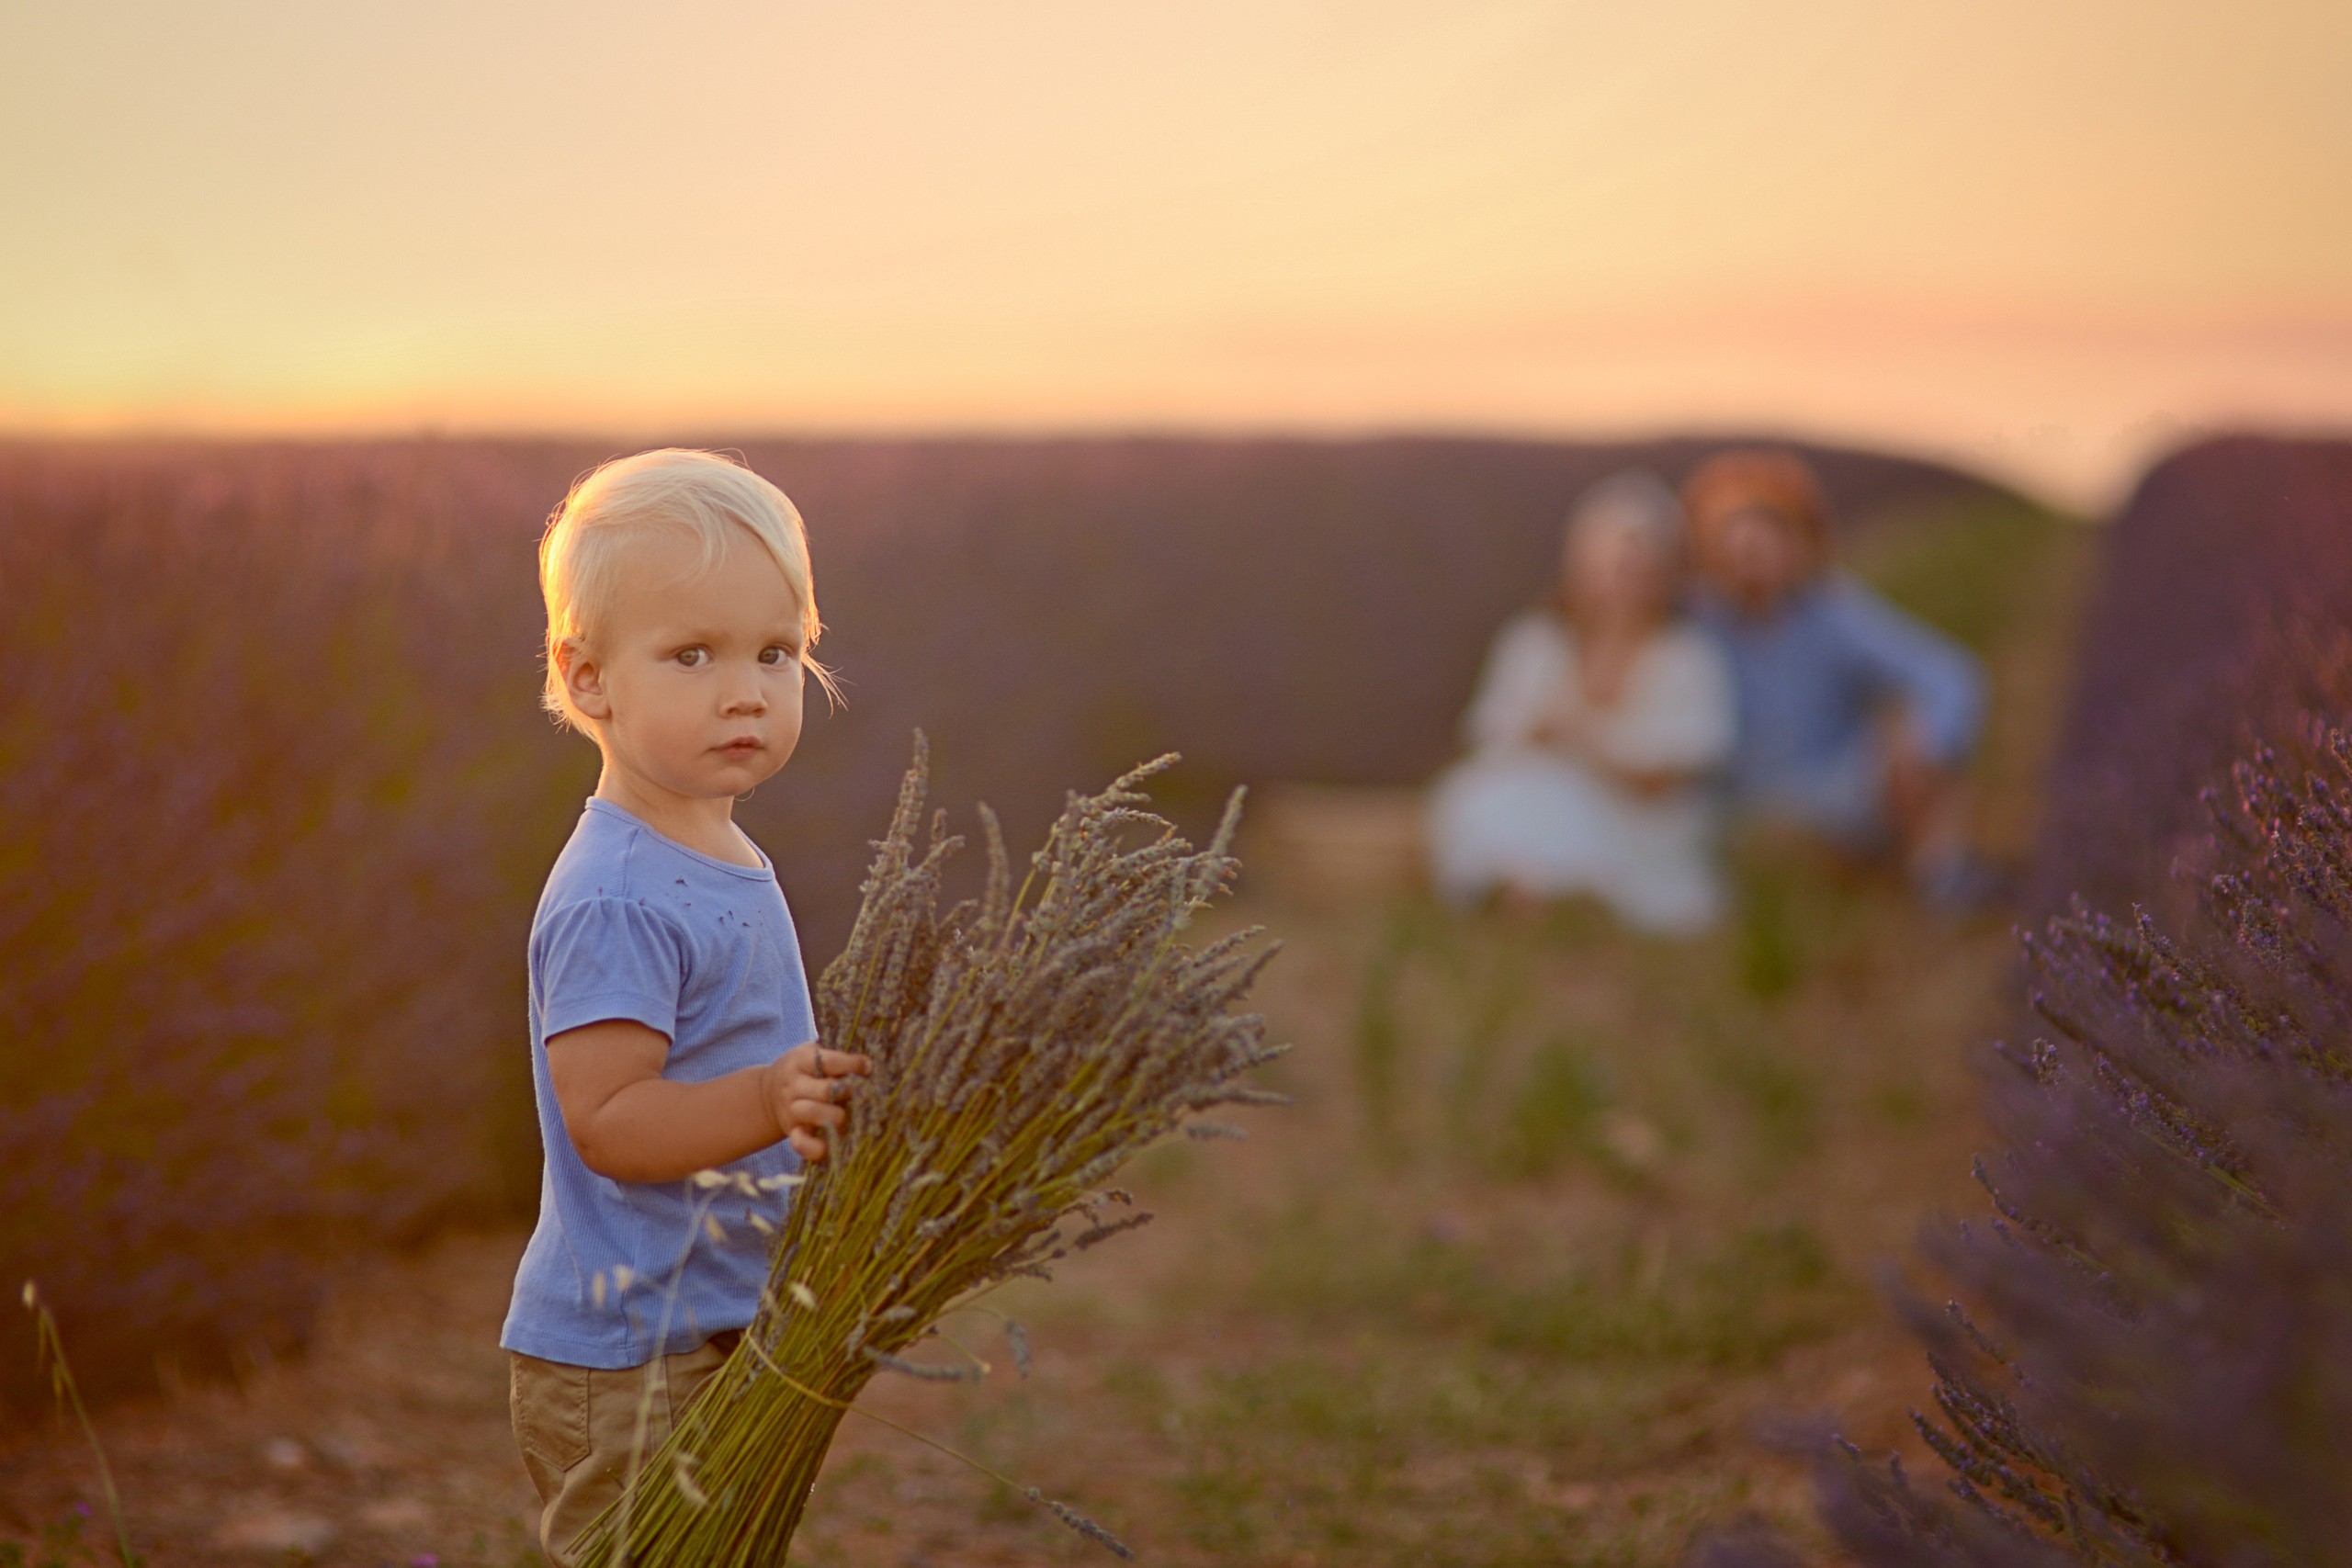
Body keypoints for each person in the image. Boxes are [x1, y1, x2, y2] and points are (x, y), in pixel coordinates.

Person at [501, 449, 873, 1566]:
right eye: (692, 654)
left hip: (706, 1317)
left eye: (777, 651)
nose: (745, 690)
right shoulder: (617, 892)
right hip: (629, 1352)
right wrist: (768, 1096)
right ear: (589, 678)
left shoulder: (709, 839)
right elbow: (609, 1120)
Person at [1428, 471, 1737, 933]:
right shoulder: (1536, 640)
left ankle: (1575, 902)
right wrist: (1542, 733)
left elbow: (1674, 775)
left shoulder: (1687, 657)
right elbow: (1491, 735)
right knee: (1477, 796)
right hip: (1538, 795)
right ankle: (1526, 898)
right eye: (1612, 560)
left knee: (1570, 815)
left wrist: (1587, 744)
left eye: (1641, 563)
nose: (1624, 578)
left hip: (1644, 825)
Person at [1681, 448, 1989, 907]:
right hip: (1738, 809)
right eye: (1733, 538)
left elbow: (1948, 674)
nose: (1750, 554)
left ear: (1800, 544)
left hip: (1838, 792)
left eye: (1768, 535)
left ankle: (1941, 877)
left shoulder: (1833, 611)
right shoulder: (1696, 619)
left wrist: (1929, 747)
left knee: (1908, 733)